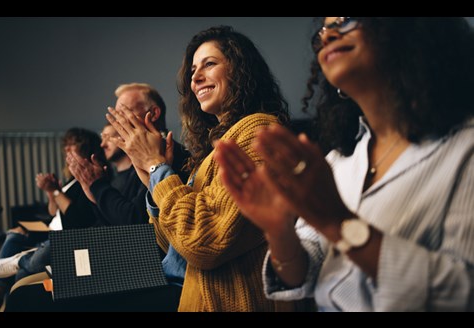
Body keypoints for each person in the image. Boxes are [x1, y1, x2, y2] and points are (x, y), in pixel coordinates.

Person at [214, 17, 474, 311]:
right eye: (323, 30)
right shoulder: (339, 160)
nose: (328, 35)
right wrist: (278, 231)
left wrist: (338, 223)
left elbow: (462, 293)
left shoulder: (465, 149)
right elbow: (300, 273)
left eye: (348, 20)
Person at [107, 26, 306, 312]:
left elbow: (204, 243)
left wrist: (158, 167)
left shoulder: (257, 131)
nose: (196, 78)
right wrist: (151, 177)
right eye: (192, 72)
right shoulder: (215, 148)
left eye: (209, 64)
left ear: (241, 70)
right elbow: (172, 246)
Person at [0, 128, 105, 311]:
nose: (66, 151)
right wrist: (52, 193)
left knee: (24, 266)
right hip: (51, 229)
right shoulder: (70, 182)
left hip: (63, 236)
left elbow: (75, 219)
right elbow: (53, 212)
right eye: (65, 147)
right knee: (14, 234)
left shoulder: (92, 180)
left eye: (71, 147)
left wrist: (55, 191)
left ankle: (18, 263)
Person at [66, 122, 149, 226]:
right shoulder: (112, 178)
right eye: (102, 139)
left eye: (109, 138)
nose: (102, 144)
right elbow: (109, 221)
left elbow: (132, 220)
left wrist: (97, 186)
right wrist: (93, 195)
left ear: (125, 137)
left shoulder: (141, 175)